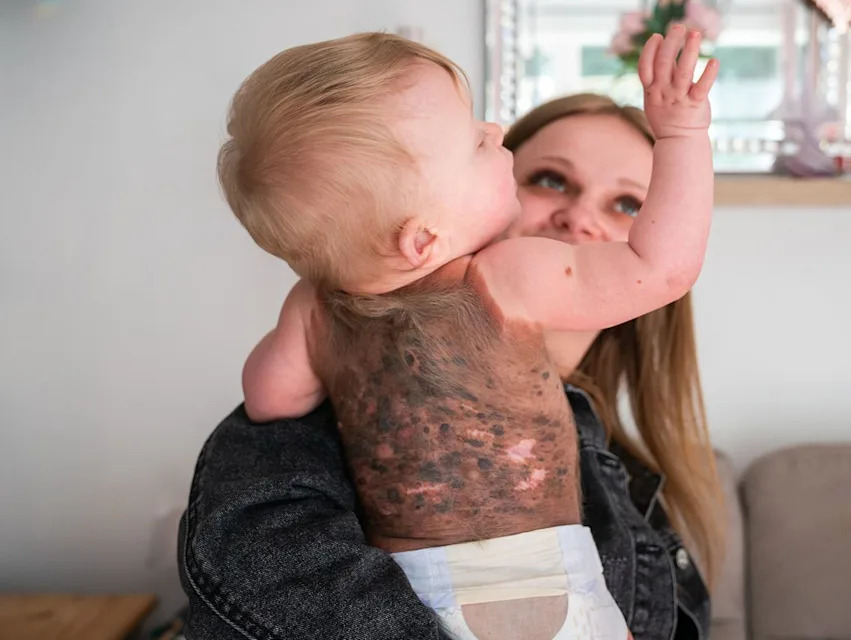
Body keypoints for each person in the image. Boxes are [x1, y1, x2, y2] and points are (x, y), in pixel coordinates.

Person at [179, 37, 725, 640]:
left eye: (628, 203)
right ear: (423, 238)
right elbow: (662, 267)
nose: (496, 131)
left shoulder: (313, 309)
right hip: (545, 580)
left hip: (419, 587)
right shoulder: (503, 277)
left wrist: (320, 291)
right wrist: (682, 136)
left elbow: (268, 398)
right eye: (480, 145)